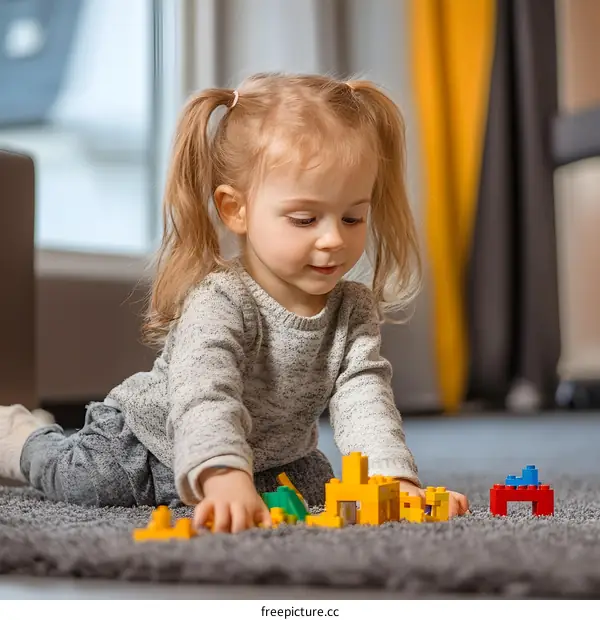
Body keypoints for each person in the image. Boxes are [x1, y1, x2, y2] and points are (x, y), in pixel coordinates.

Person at [0, 72, 469, 532]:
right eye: (305, 219)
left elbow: (364, 396)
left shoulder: (353, 308)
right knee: (81, 479)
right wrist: (223, 475)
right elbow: (205, 393)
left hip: (271, 455)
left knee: (317, 491)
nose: (333, 239)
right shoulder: (220, 299)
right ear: (235, 209)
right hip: (150, 443)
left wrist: (391, 481)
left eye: (352, 218)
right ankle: (21, 436)